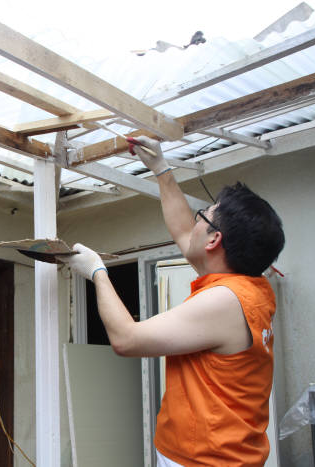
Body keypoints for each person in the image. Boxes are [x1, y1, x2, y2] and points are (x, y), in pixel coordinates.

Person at [63, 135, 285, 466]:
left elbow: (127, 339)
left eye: (203, 216)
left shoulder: (225, 301)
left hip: (207, 460)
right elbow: (184, 232)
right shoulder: (248, 287)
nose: (194, 222)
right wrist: (162, 170)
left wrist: (97, 272)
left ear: (214, 239)